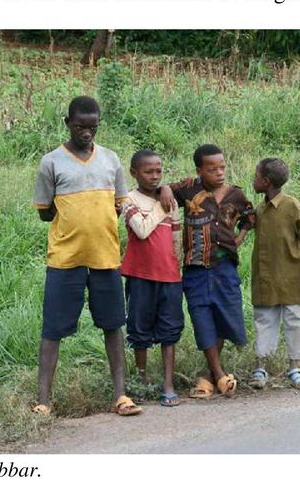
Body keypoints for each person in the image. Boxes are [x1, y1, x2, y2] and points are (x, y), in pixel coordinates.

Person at [32, 96, 141, 417]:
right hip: (65, 259)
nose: (86, 133)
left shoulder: (110, 159)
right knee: (53, 328)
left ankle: (121, 395)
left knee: (113, 325)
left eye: (92, 127)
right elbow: (44, 211)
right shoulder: (51, 161)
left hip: (106, 257)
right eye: (80, 126)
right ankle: (43, 401)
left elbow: (120, 204)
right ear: (68, 123)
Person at [162, 144, 254, 398]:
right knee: (201, 316)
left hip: (224, 267)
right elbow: (164, 189)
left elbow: (249, 218)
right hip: (196, 266)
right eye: (212, 169)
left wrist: (239, 238)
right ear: (199, 170)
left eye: (222, 167)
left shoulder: (235, 195)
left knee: (222, 316)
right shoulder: (190, 189)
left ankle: (211, 376)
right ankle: (220, 375)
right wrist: (168, 188)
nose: (219, 172)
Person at [121, 148, 184, 407]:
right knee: (139, 327)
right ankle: (142, 381)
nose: (155, 176)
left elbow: (177, 237)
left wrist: (177, 266)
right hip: (140, 274)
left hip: (169, 275)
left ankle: (168, 384)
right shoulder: (128, 200)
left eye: (159, 172)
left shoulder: (170, 201)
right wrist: (163, 201)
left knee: (169, 329)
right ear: (134, 173)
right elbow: (143, 230)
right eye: (148, 172)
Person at [249, 156, 300, 390]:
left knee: (296, 321)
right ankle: (261, 366)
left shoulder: (291, 206)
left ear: (266, 181)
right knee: (264, 321)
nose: (254, 179)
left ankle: (295, 368)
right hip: (266, 278)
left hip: (292, 278)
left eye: (256, 175)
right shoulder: (259, 209)